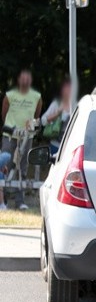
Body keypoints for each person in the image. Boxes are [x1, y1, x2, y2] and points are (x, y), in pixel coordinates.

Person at [0, 69, 42, 210]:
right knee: (5, 165)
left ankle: (20, 201)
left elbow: (37, 114)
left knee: (22, 168)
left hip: (26, 136)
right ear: (19, 80)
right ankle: (3, 200)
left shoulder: (36, 96)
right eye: (22, 78)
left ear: (30, 81)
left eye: (27, 78)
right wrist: (10, 126)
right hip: (10, 135)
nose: (25, 81)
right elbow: (4, 113)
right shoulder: (10, 95)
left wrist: (31, 126)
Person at [40, 78, 72, 155]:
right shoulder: (56, 104)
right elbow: (43, 121)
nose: (68, 91)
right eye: (65, 89)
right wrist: (57, 113)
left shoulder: (77, 105)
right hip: (56, 145)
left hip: (70, 147)